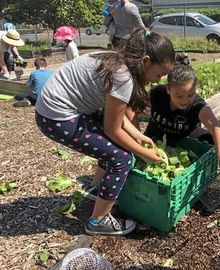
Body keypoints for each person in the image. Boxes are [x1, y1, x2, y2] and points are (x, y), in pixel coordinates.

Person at [35, 28, 175, 235]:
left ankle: (98, 190)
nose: (158, 80)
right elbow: (112, 129)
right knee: (122, 159)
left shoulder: (116, 61)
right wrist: (144, 153)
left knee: (117, 147)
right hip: (56, 116)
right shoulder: (124, 78)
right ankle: (97, 221)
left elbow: (115, 117)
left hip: (60, 107)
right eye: (159, 74)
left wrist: (138, 135)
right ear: (145, 61)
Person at [144, 61, 220, 175]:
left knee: (211, 139)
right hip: (156, 134)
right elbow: (135, 105)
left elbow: (216, 127)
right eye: (179, 96)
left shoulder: (197, 106)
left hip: (184, 136)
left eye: (190, 95)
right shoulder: (157, 93)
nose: (185, 100)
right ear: (168, 89)